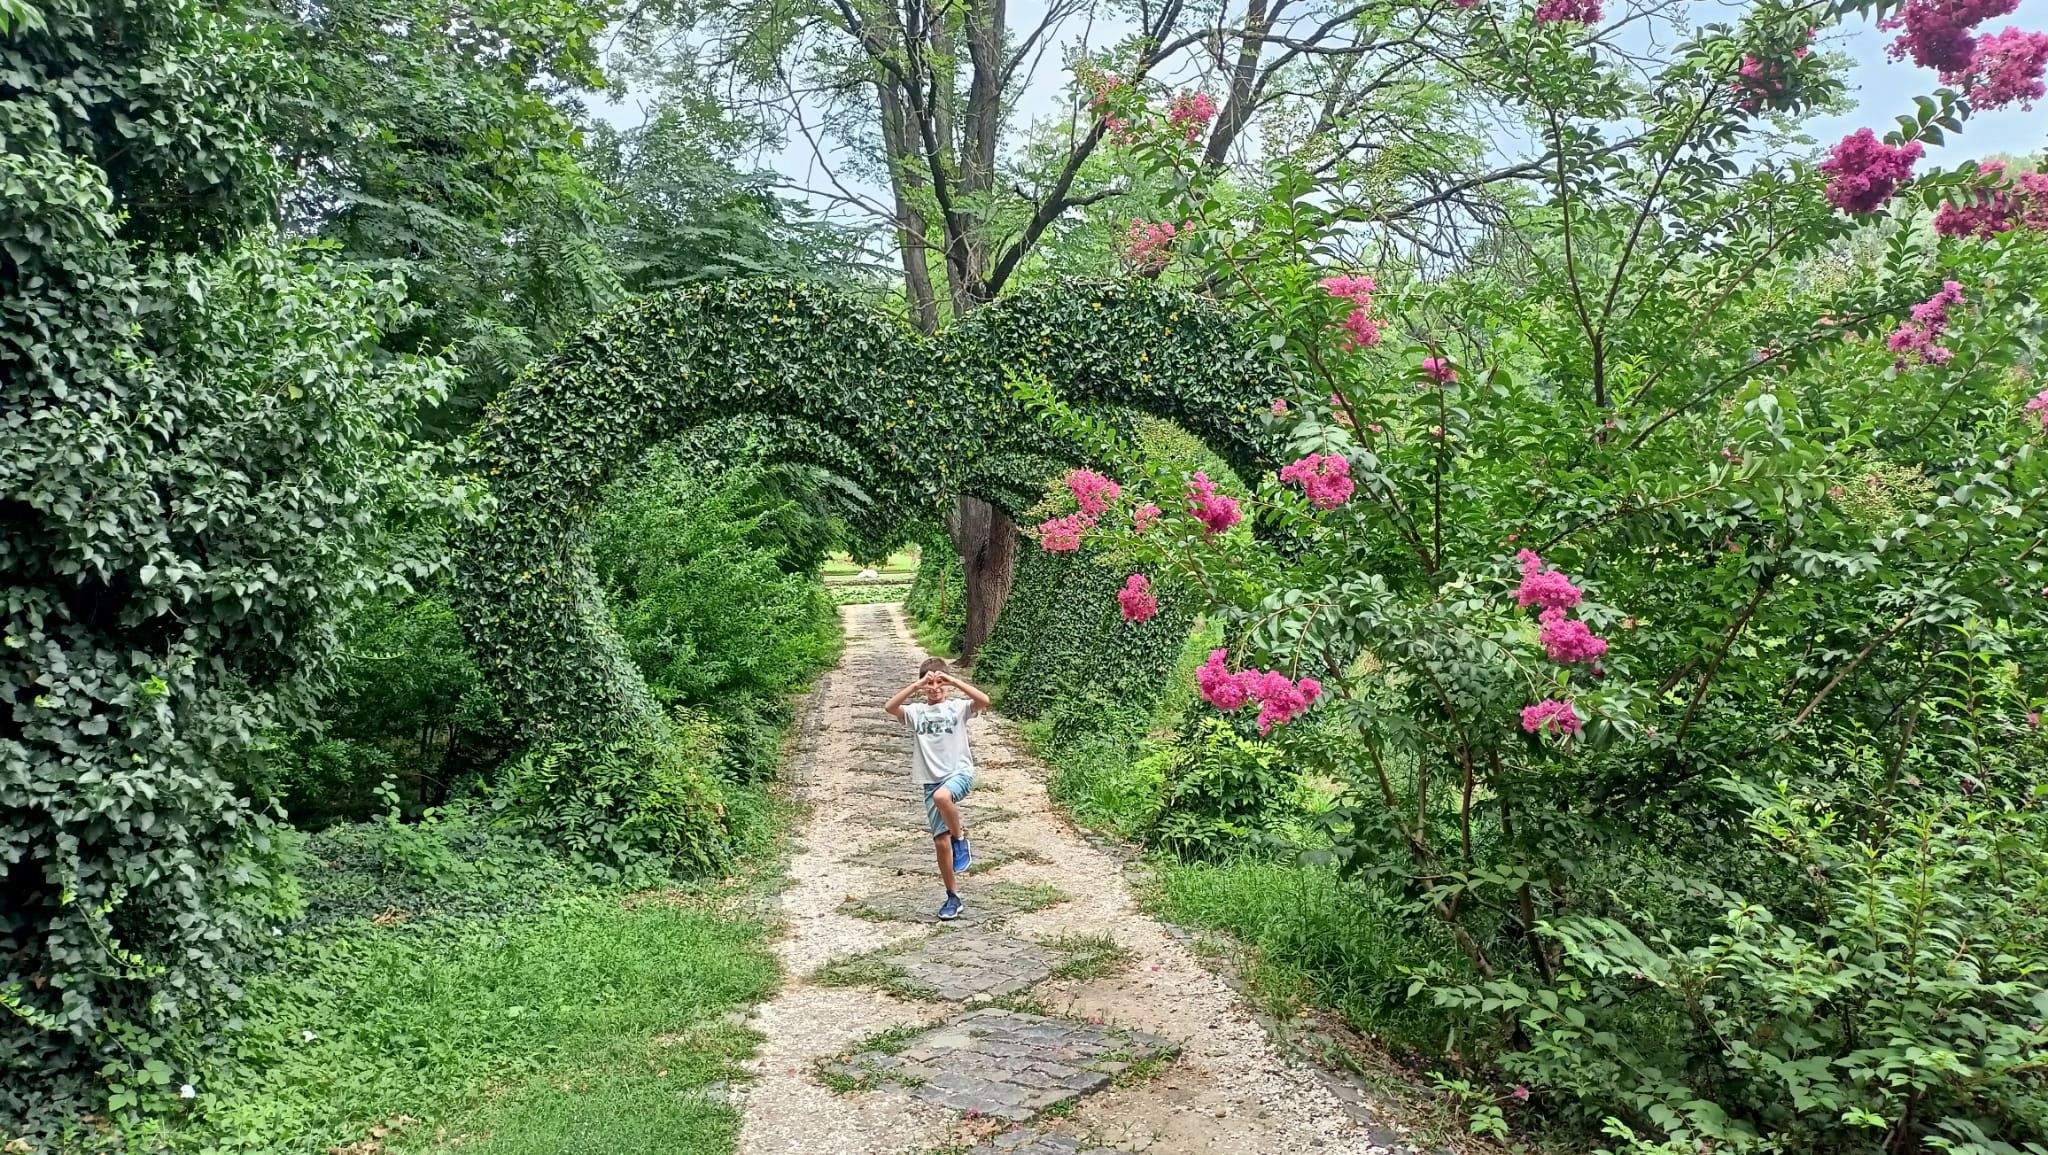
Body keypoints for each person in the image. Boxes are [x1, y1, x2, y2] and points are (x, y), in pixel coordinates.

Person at [884, 657, 991, 920]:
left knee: (942, 797)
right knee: (941, 844)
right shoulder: (916, 712)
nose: (934, 688)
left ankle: (960, 839)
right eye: (929, 684)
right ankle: (952, 896)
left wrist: (952, 680)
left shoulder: (957, 708)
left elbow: (984, 700)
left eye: (939, 683)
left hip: (958, 773)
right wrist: (917, 685)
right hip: (930, 780)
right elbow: (890, 707)